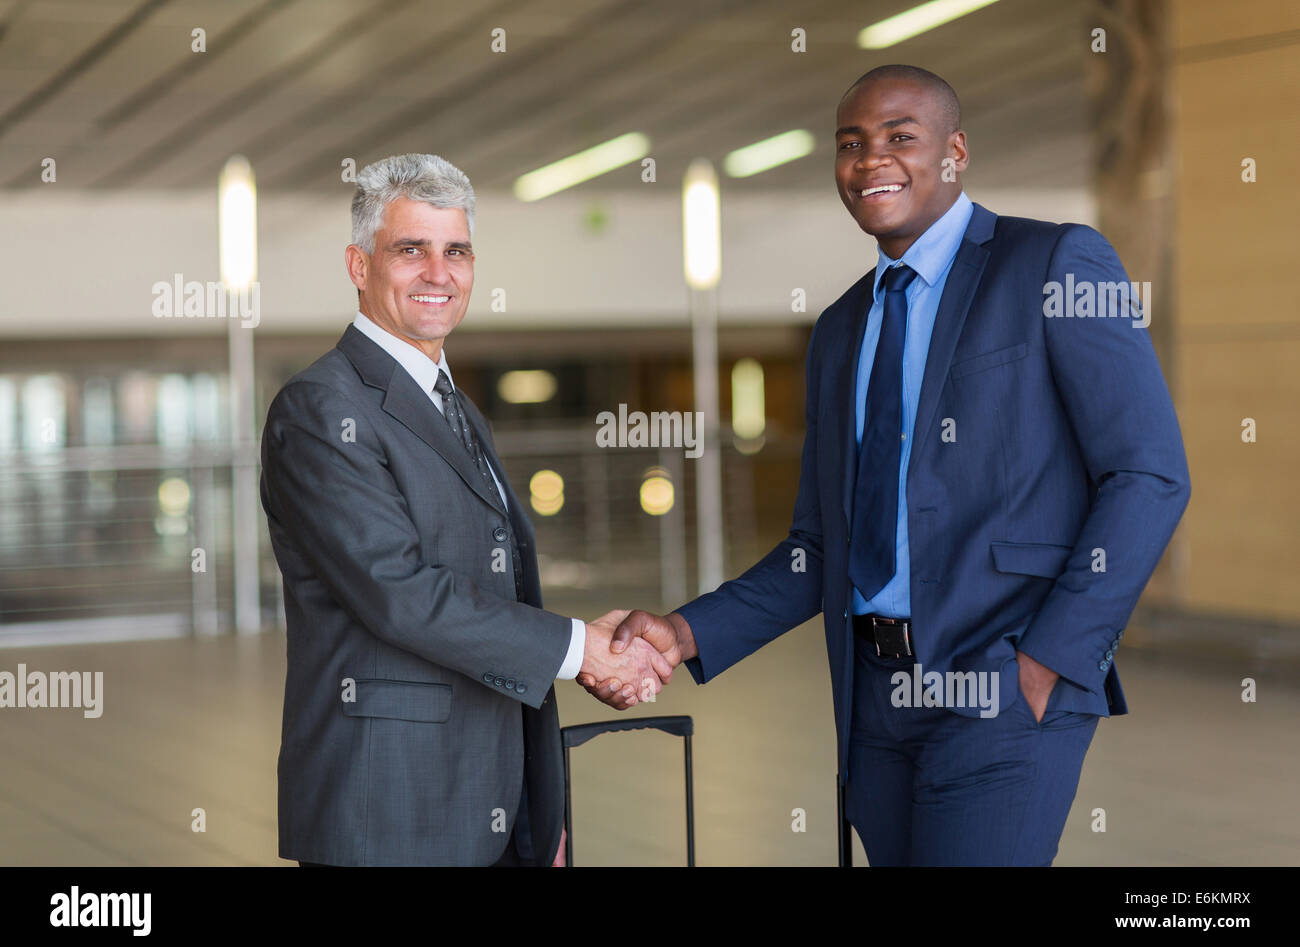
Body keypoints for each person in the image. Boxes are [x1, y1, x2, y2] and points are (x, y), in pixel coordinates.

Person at [585, 65, 1191, 866]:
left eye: (901, 137)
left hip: (1003, 689)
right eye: (851, 144)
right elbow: (822, 545)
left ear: (956, 150)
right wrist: (682, 632)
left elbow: (1148, 474)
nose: (872, 160)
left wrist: (1050, 661)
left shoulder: (1055, 264)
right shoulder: (841, 328)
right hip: (876, 702)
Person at [260, 153, 670, 866]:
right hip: (390, 810)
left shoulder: (455, 406)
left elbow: (488, 587)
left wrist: (538, 808)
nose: (438, 273)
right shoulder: (322, 408)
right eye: (410, 249)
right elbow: (401, 594)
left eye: (457, 251)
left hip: (490, 797)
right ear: (359, 266)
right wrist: (578, 649)